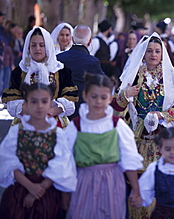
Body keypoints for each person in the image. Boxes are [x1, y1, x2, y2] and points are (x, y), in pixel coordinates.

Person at [113, 32, 174, 218]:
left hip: (163, 136)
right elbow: (116, 104)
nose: (153, 55)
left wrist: (163, 115)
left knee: (163, 178)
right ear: (143, 54)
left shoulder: (170, 76)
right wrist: (126, 94)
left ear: (162, 54)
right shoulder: (134, 75)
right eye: (149, 51)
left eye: (157, 51)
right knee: (138, 179)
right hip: (138, 135)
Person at [66, 73, 143, 219]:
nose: (98, 102)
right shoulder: (76, 126)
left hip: (112, 182)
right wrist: (65, 193)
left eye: (103, 97)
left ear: (110, 98)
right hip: (83, 181)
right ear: (85, 95)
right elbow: (66, 161)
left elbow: (129, 160)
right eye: (94, 97)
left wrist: (136, 190)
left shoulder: (117, 125)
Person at [0, 82, 77, 218]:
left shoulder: (57, 134)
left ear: (51, 104)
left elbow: (61, 164)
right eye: (34, 101)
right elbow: (9, 161)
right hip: (21, 191)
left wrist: (40, 188)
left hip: (49, 193)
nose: (39, 106)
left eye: (44, 101)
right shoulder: (17, 132)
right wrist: (30, 186)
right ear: (25, 105)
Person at [1, 27, 78, 128]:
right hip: (26, 121)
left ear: (48, 46)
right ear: (28, 47)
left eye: (42, 45)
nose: (37, 49)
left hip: (55, 122)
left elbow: (69, 99)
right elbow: (13, 102)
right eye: (34, 45)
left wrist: (50, 112)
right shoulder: (20, 71)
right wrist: (32, 113)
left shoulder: (61, 70)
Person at [57, 25, 104, 118]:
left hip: (61, 109)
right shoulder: (92, 62)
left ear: (72, 39)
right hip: (83, 109)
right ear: (90, 41)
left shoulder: (59, 58)